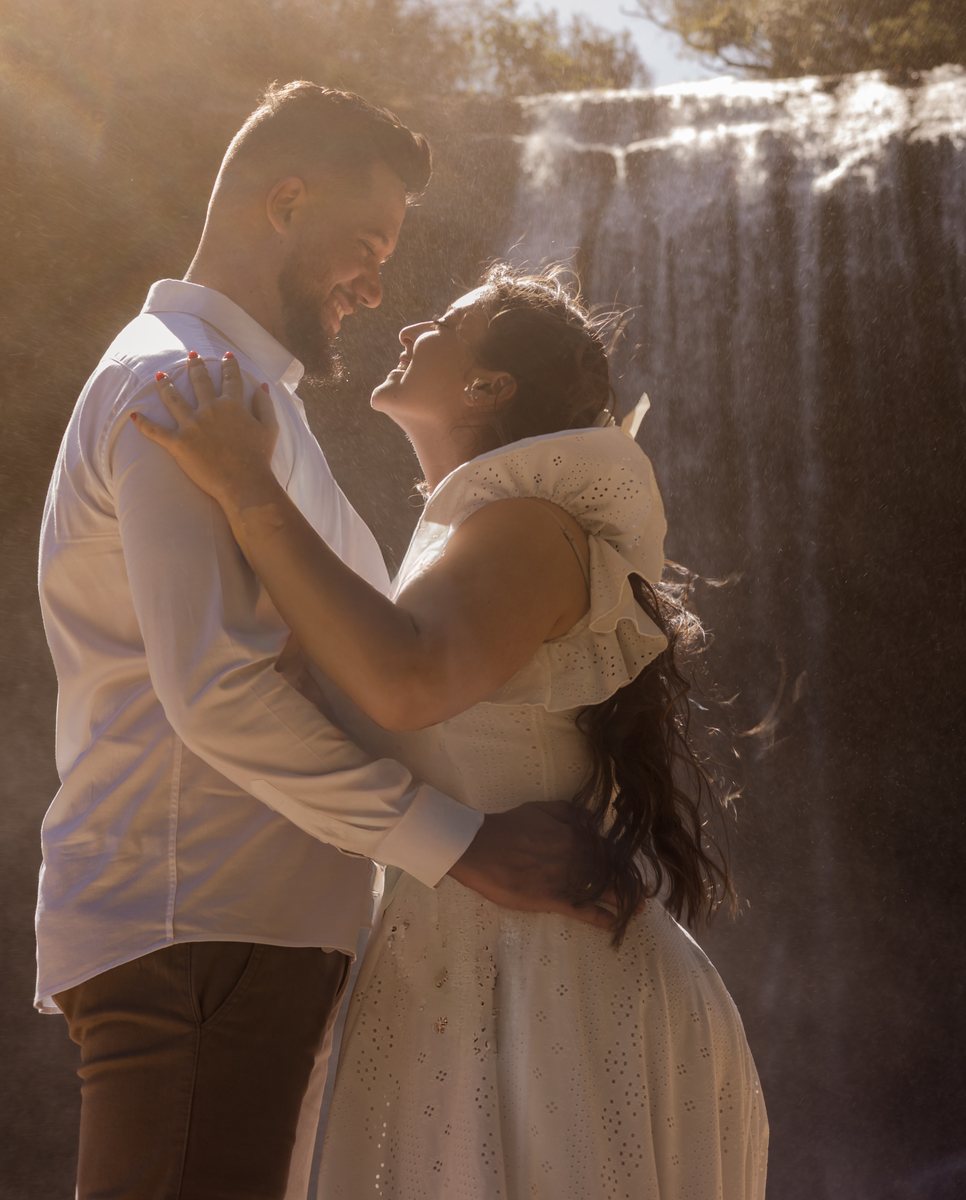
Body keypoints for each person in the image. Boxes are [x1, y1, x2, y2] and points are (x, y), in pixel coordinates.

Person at [37, 82, 617, 1200]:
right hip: (201, 926)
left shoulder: (248, 400)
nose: (376, 284)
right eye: (364, 244)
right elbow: (214, 693)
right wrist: (463, 847)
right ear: (283, 200)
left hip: (244, 932)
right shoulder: (180, 385)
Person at [133, 261, 770, 1198]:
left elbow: (404, 681)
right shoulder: (466, 538)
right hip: (470, 962)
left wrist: (243, 482)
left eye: (442, 322)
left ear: (488, 386)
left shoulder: (531, 522)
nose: (408, 329)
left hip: (547, 977)